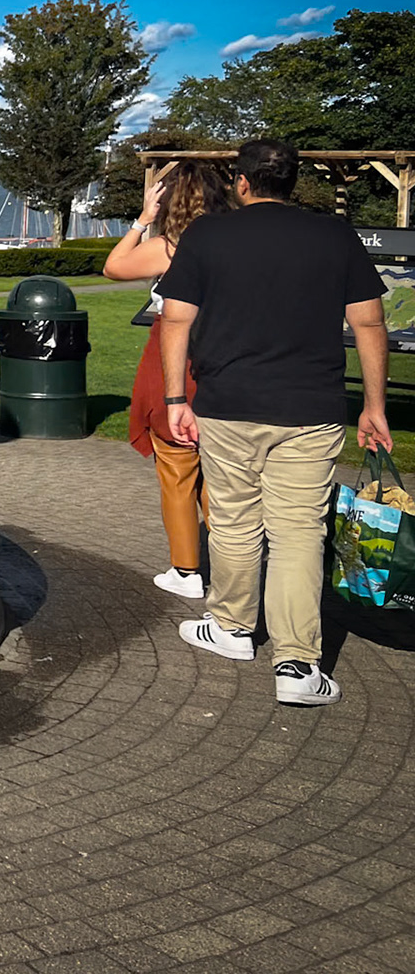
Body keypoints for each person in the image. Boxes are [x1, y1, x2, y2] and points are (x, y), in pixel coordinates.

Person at [157, 139, 393, 708]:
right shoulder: (335, 235)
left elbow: (175, 319)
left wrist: (173, 400)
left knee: (235, 524)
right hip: (309, 410)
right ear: (293, 182)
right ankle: (297, 665)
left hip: (226, 405)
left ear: (242, 182)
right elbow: (370, 322)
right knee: (298, 534)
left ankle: (234, 630)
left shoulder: (207, 235)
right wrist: (374, 406)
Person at [103, 159, 237, 599]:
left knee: (178, 469)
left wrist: (143, 218)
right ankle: (236, 568)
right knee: (220, 474)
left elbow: (114, 266)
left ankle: (186, 569)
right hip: (228, 361)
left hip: (175, 359)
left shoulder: (169, 247)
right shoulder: (236, 244)